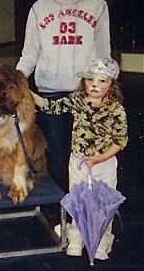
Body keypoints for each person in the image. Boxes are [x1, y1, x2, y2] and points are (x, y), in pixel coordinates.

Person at [16, 0, 111, 192]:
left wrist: (106, 85)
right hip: (50, 93)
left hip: (86, 93)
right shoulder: (39, 8)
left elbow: (104, 53)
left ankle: (86, 207)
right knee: (58, 156)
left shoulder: (98, 5)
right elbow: (29, 54)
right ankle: (66, 211)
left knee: (86, 152)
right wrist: (16, 79)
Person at [33, 57, 128, 260]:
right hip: (78, 162)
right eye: (91, 79)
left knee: (103, 202)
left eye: (102, 81)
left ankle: (101, 242)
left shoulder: (116, 110)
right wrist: (30, 95)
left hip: (104, 164)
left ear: (112, 85)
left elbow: (119, 141)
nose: (95, 85)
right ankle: (76, 238)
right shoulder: (77, 100)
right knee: (78, 199)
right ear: (84, 80)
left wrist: (100, 158)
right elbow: (51, 107)